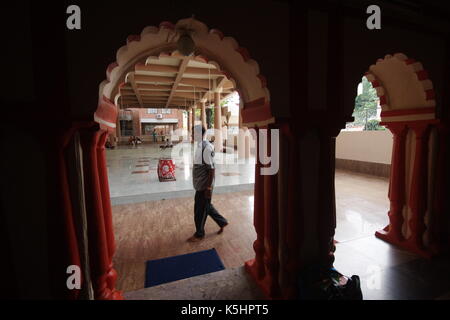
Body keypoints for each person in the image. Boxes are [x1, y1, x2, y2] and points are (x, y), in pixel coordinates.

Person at [187, 125, 228, 242]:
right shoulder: (199, 146)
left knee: (199, 210)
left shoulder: (206, 148)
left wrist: (209, 187)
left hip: (204, 186)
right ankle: (222, 222)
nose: (191, 135)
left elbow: (211, 169)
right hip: (200, 184)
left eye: (193, 133)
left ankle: (199, 233)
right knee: (206, 206)